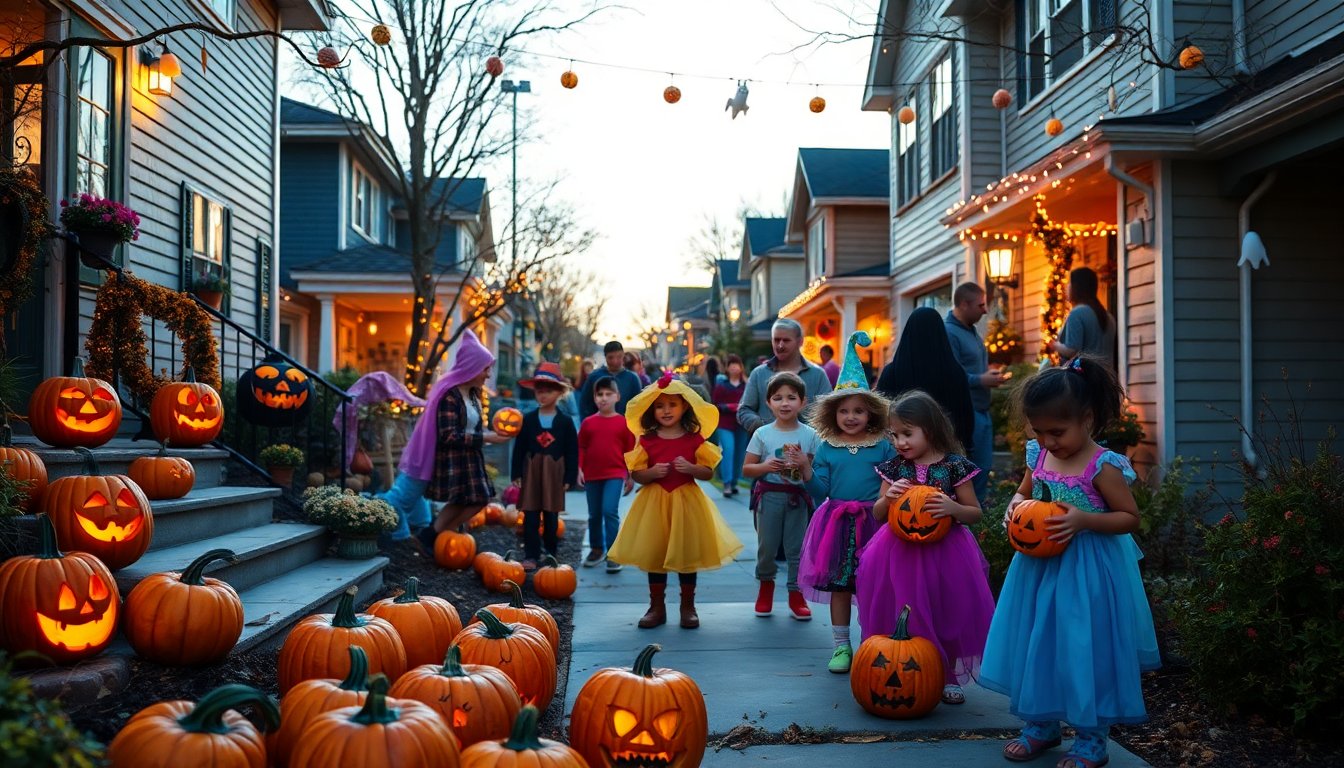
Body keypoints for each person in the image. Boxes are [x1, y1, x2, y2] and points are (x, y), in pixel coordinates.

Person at [981, 357, 1157, 767]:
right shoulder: (1038, 456)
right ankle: (1041, 725)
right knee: (1039, 642)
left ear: (1088, 419)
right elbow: (1025, 492)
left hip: (1088, 571)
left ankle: (1092, 737)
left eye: (1056, 432)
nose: (1047, 442)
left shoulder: (1102, 466)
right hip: (1039, 569)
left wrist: (1083, 520)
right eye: (1039, 432)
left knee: (1083, 647)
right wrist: (1015, 507)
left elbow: (1129, 518)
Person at [856, 390, 995, 706]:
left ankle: (947, 674)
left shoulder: (954, 467)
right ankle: (905, 669)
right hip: (898, 553)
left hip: (946, 553)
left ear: (929, 430)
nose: (900, 442)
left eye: (907, 434)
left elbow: (974, 512)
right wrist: (888, 498)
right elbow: (877, 514)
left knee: (943, 609)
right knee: (905, 609)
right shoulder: (895, 468)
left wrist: (952, 508)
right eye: (895, 435)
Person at [607, 373, 744, 629]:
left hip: (686, 503)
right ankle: (656, 606)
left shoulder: (694, 439)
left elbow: (708, 473)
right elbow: (637, 475)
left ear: (685, 406)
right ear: (651, 410)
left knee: (686, 553)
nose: (666, 410)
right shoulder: (646, 440)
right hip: (654, 504)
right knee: (655, 554)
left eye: (672, 404)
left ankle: (687, 606)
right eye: (660, 405)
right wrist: (651, 473)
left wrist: (692, 468)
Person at [796, 333, 895, 673]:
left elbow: (893, 478)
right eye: (844, 411)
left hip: (875, 521)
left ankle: (872, 640)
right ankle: (842, 646)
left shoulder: (883, 446)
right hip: (836, 523)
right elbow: (819, 490)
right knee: (840, 585)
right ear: (832, 415)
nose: (851, 417)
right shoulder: (826, 447)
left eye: (859, 411)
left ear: (871, 414)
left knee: (872, 584)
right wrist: (807, 468)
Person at [393, 330, 509, 550]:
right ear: (472, 368)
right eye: (485, 368)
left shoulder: (474, 395)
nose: (488, 374)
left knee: (477, 501)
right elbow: (448, 434)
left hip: (470, 458)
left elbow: (471, 426)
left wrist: (493, 431)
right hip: (454, 457)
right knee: (471, 501)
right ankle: (436, 536)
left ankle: (435, 536)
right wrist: (487, 437)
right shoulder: (450, 395)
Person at [742, 371, 820, 621]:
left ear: (803, 402)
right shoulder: (762, 434)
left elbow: (817, 469)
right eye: (778, 398)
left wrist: (804, 465)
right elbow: (747, 468)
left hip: (797, 497)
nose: (785, 403)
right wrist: (766, 466)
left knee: (796, 549)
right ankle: (766, 587)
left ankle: (796, 594)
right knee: (767, 547)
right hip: (769, 497)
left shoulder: (810, 435)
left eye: (791, 397)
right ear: (768, 403)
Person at [875, 307, 976, 459]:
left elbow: (880, 413)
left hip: (901, 453)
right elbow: (965, 415)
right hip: (944, 453)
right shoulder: (954, 371)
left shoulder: (893, 371)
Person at [511, 362, 579, 570]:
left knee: (551, 516)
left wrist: (569, 476)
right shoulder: (529, 420)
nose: (543, 396)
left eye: (548, 391)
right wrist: (516, 472)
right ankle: (531, 554)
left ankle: (551, 553)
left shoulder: (565, 422)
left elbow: (572, 450)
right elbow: (519, 447)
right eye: (539, 391)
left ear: (558, 393)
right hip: (532, 471)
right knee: (530, 515)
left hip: (554, 472)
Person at [945, 283, 1007, 504]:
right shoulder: (950, 333)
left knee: (983, 467)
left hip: (982, 409)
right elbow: (952, 374)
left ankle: (978, 522)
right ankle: (970, 523)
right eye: (980, 305)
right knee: (971, 470)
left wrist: (987, 373)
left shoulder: (970, 330)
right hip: (968, 412)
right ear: (964, 304)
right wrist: (982, 379)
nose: (985, 310)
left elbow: (969, 368)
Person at [578, 376, 636, 573]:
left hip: (615, 473)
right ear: (594, 398)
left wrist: (630, 475)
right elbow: (582, 448)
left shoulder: (624, 423)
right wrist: (579, 468)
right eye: (599, 394)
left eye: (608, 394)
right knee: (594, 514)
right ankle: (596, 549)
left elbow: (630, 451)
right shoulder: (588, 423)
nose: (603, 398)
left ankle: (613, 553)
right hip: (592, 474)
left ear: (617, 397)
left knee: (609, 510)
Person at [737, 318, 833, 433]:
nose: (780, 345)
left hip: (806, 448)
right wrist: (760, 427)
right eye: (776, 340)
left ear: (800, 341)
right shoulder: (759, 373)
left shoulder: (817, 374)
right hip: (766, 448)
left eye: (786, 340)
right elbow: (744, 410)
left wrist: (807, 431)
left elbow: (828, 412)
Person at [1049, 267, 1117, 369]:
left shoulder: (1077, 313)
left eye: (1069, 283)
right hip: (1107, 379)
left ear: (1077, 287)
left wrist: (1055, 345)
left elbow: (1072, 350)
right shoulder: (1109, 317)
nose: (1067, 287)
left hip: (1084, 379)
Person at [711, 354, 749, 497]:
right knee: (728, 450)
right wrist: (729, 407)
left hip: (741, 424)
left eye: (736, 364)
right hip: (725, 423)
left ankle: (733, 482)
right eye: (731, 364)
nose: (734, 367)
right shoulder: (721, 384)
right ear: (727, 368)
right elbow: (715, 404)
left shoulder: (747, 385)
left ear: (741, 367)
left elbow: (752, 402)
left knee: (740, 454)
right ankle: (726, 483)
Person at [579, 341, 643, 419]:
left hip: (625, 426)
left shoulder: (633, 378)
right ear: (605, 357)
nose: (615, 361)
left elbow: (638, 406)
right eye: (610, 357)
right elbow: (585, 404)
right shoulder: (594, 376)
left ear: (623, 355)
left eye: (619, 357)